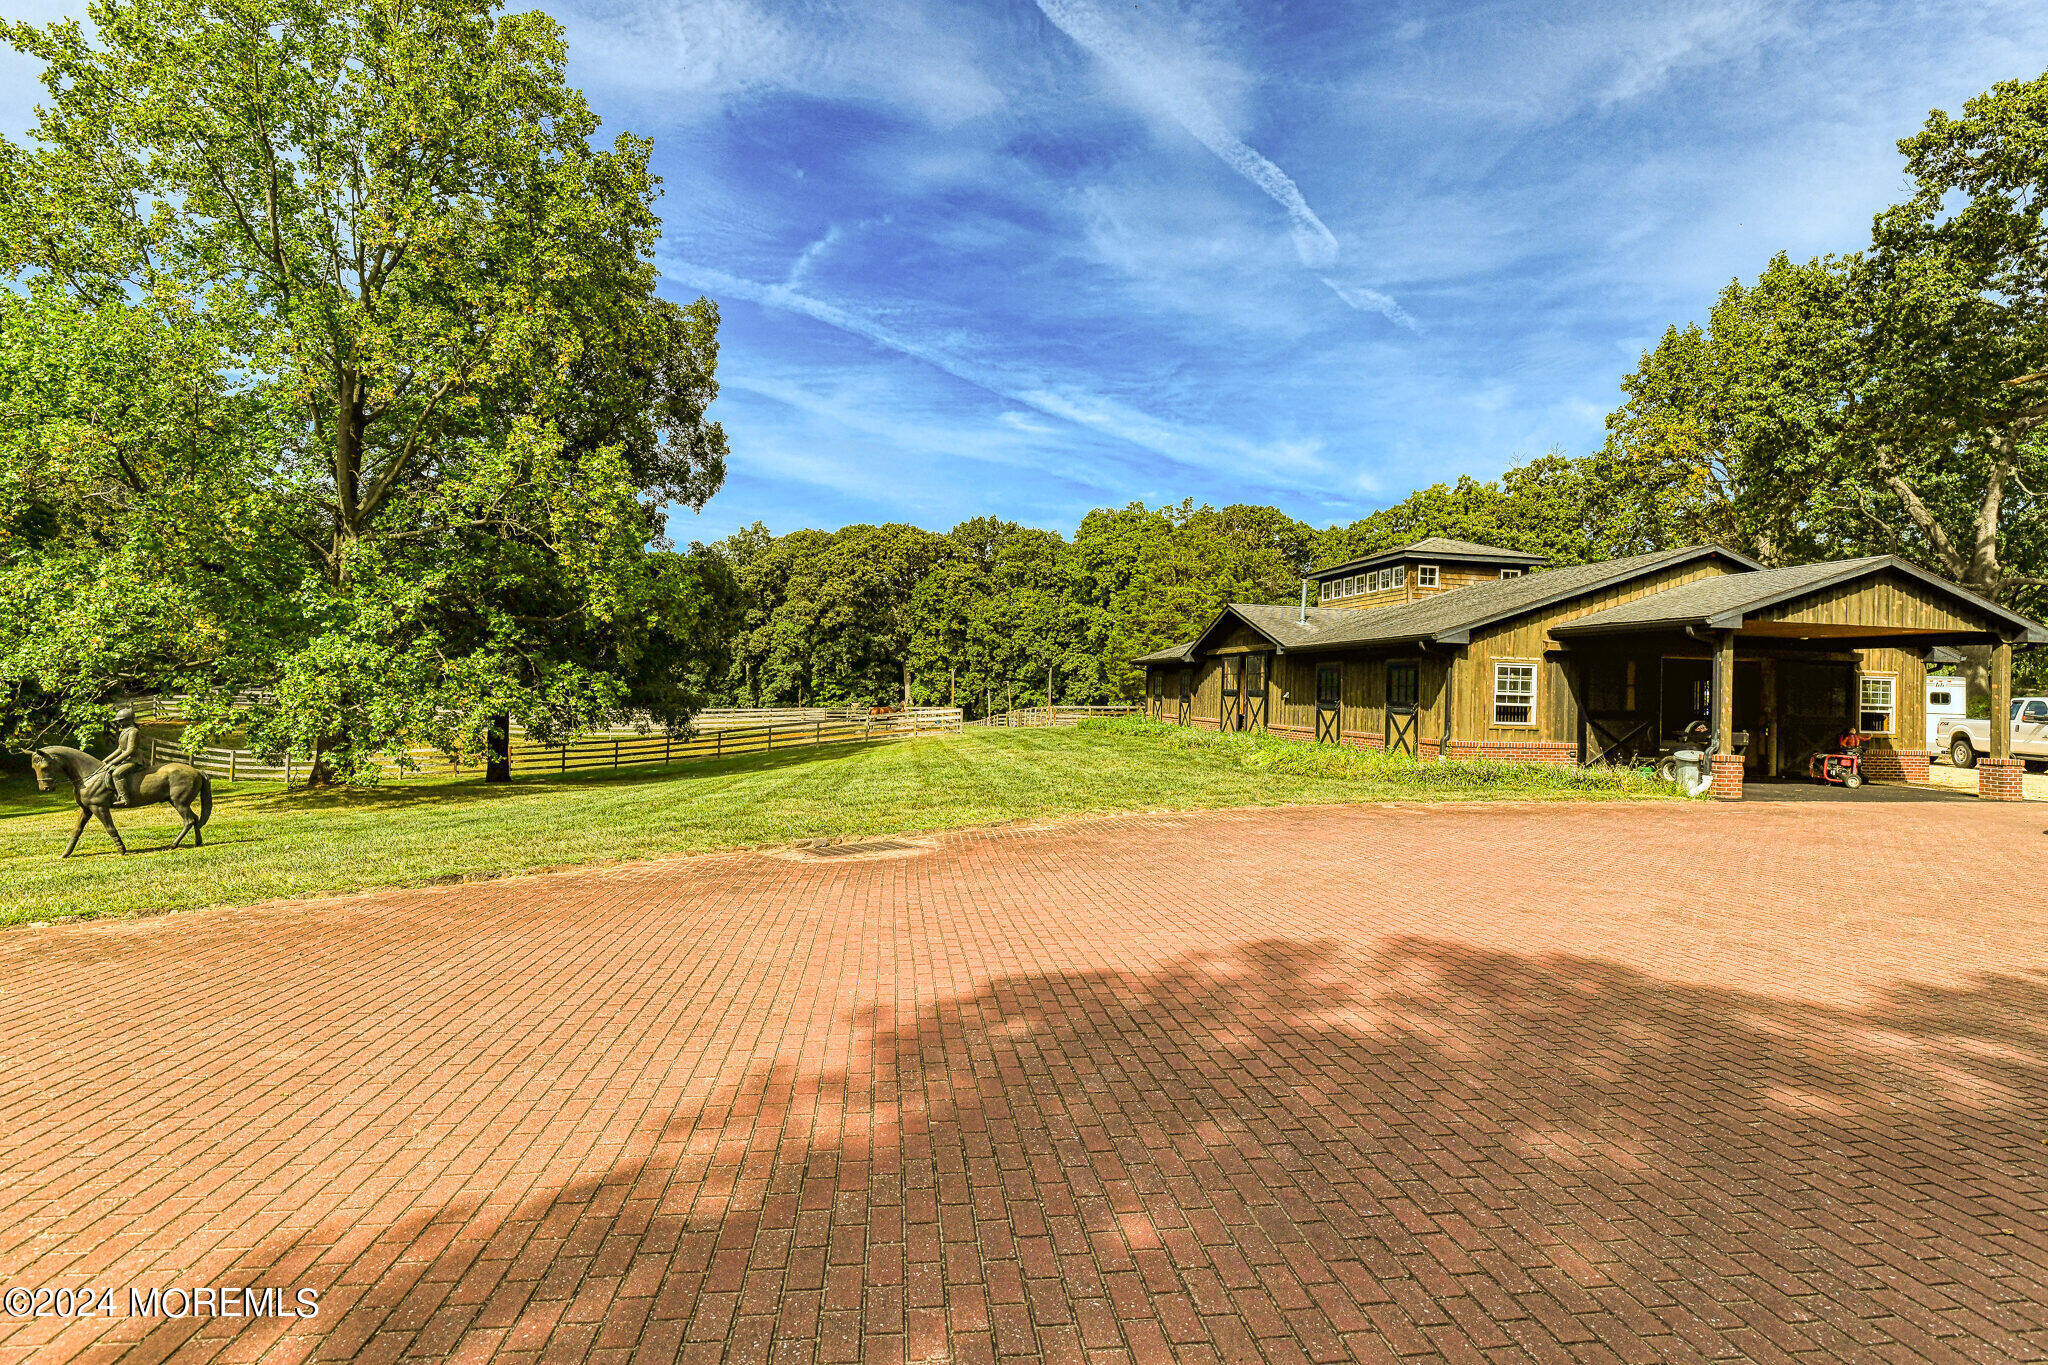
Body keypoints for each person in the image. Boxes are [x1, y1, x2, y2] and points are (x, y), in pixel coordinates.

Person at [88, 707, 147, 807]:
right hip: (126, 759)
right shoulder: (124, 731)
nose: (119, 723)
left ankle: (124, 798)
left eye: (121, 720)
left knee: (117, 774)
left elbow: (130, 750)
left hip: (134, 760)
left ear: (128, 719)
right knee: (108, 771)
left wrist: (113, 762)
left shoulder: (133, 732)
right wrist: (106, 760)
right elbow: (120, 749)